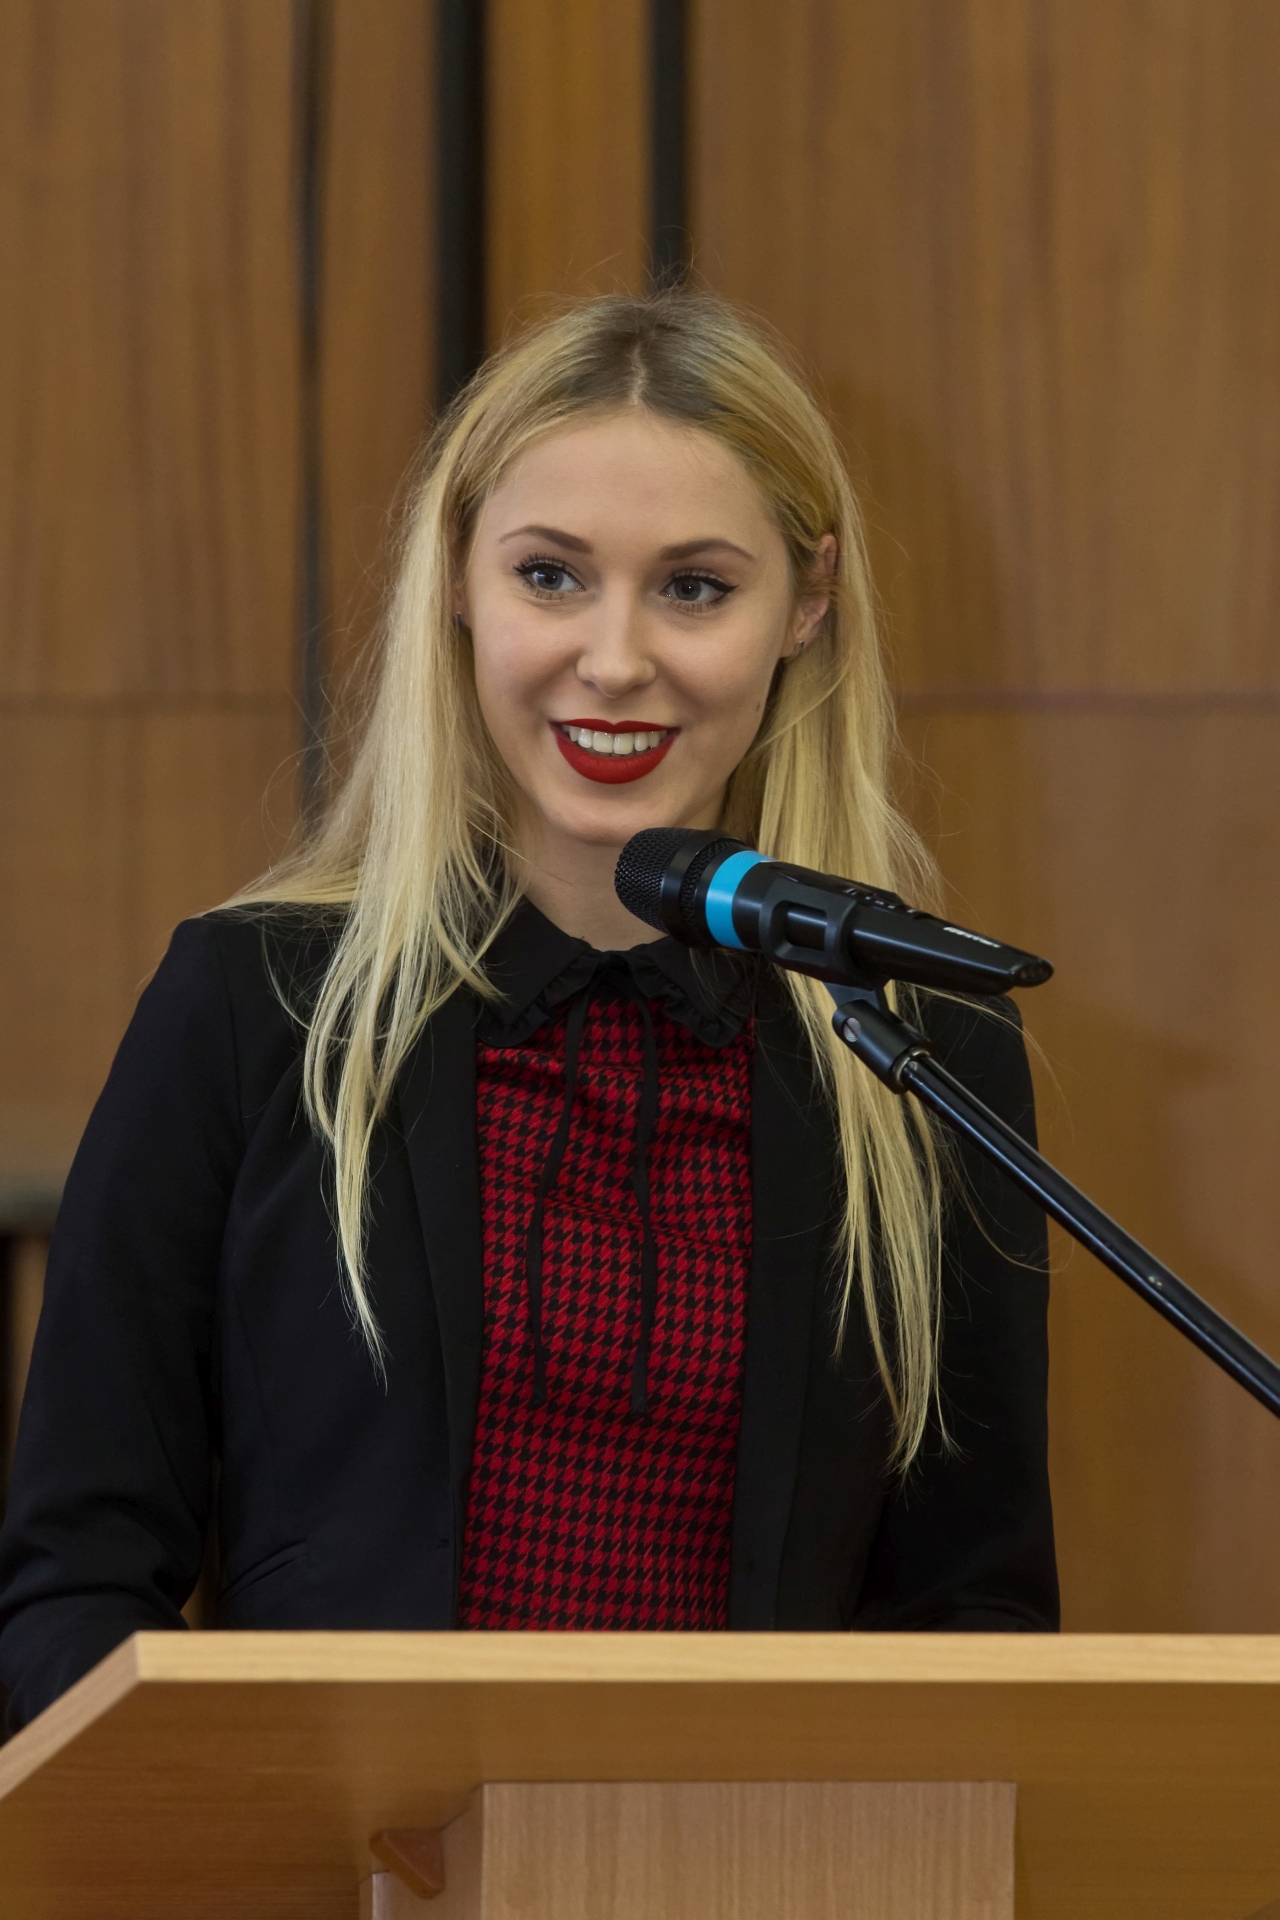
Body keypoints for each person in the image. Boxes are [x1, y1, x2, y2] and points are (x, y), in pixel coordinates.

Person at [0, 292, 1056, 1733]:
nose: (614, 659)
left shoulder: (920, 1059)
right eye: (551, 576)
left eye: (695, 588)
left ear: (806, 605)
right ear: (457, 576)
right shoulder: (251, 1009)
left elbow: (974, 1616)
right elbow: (74, 1580)